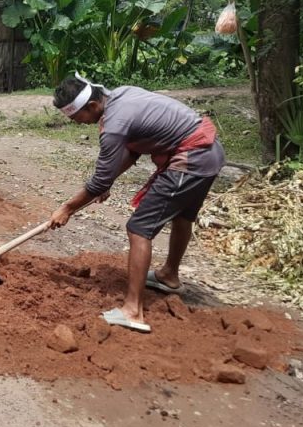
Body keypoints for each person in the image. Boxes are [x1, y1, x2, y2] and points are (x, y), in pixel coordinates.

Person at [48, 73, 225, 333]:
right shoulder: (122, 94)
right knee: (183, 216)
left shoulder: (114, 125)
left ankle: (133, 311)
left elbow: (98, 181)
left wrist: (67, 208)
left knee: (138, 228)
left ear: (93, 106)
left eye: (77, 118)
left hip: (191, 160)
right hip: (208, 153)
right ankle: (169, 276)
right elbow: (133, 150)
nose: (78, 124)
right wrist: (106, 183)